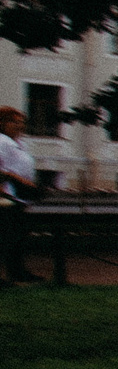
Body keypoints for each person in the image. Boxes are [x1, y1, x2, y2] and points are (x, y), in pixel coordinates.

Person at [0, 107, 37, 285]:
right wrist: (17, 180)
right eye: (15, 122)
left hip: (18, 197)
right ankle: (11, 274)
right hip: (6, 198)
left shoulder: (18, 143)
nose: (19, 126)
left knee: (16, 238)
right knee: (6, 238)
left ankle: (17, 272)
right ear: (3, 123)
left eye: (21, 122)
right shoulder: (1, 141)